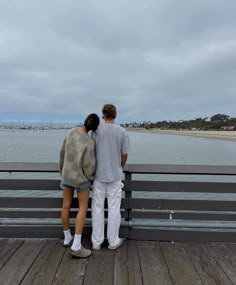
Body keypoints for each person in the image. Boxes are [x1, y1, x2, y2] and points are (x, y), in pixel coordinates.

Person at [59, 113, 100, 258]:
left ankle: (66, 237)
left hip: (66, 176)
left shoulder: (71, 132)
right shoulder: (89, 142)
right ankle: (76, 245)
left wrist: (62, 172)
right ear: (94, 128)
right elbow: (89, 165)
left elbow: (62, 153)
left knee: (65, 206)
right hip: (81, 179)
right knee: (82, 208)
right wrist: (90, 178)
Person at [91, 104, 130, 250]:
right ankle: (113, 241)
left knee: (97, 208)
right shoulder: (121, 131)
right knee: (114, 208)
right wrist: (120, 167)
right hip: (115, 176)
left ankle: (97, 241)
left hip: (98, 176)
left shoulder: (95, 131)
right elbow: (124, 154)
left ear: (103, 114)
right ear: (115, 114)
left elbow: (91, 153)